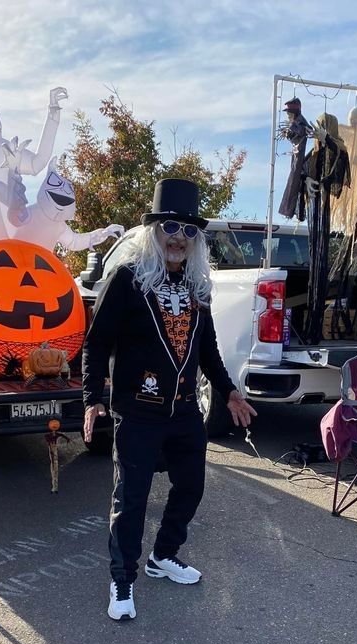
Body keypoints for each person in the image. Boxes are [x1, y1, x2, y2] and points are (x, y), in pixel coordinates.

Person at [82, 178, 256, 621]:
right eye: (170, 227)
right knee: (132, 499)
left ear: (196, 241)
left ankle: (164, 555)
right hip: (137, 412)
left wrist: (230, 391)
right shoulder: (128, 280)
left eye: (189, 231)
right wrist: (92, 398)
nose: (179, 237)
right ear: (155, 231)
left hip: (183, 411)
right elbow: (97, 342)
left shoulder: (199, 289)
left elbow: (208, 350)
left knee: (191, 487)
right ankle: (122, 579)